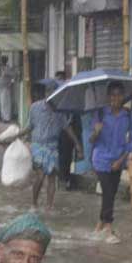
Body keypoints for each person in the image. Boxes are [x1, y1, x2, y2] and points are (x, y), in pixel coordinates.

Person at [88, 82, 132, 244]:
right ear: (108, 97)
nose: (116, 98)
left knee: (111, 194)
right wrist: (96, 131)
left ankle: (99, 225)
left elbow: (131, 142)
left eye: (119, 95)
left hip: (118, 159)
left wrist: (121, 160)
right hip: (101, 159)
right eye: (113, 95)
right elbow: (91, 140)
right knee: (108, 192)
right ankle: (108, 227)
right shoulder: (100, 114)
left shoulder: (130, 116)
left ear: (123, 96)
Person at [21, 80, 82, 210]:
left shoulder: (60, 111)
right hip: (38, 146)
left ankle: (49, 206)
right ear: (45, 93)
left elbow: (67, 128)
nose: (51, 94)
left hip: (53, 146)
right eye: (49, 92)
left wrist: (77, 144)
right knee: (40, 175)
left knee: (52, 176)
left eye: (54, 92)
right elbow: (29, 126)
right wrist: (18, 136)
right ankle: (34, 203)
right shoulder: (35, 108)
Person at [54, 71, 80, 190]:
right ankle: (63, 179)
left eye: (60, 79)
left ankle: (65, 179)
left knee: (66, 157)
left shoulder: (69, 98)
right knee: (63, 157)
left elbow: (72, 119)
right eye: (57, 79)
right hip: (61, 132)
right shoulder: (56, 97)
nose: (59, 82)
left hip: (69, 132)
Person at [0, 55, 17, 122]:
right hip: (1, 87)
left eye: (1, 61)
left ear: (4, 61)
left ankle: (7, 118)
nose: (0, 62)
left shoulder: (7, 68)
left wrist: (11, 83)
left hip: (6, 87)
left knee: (6, 103)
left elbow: (14, 75)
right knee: (2, 103)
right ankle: (3, 117)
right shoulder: (1, 68)